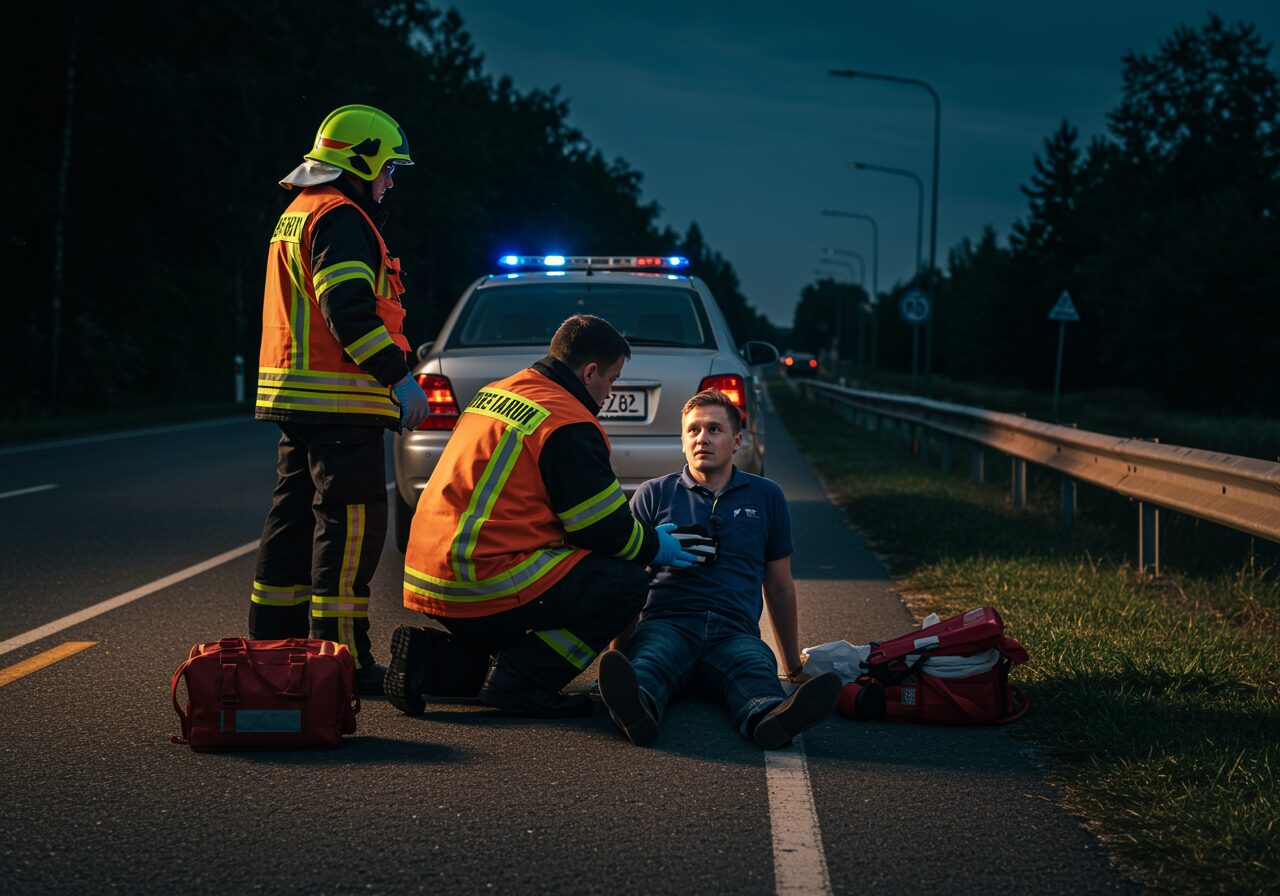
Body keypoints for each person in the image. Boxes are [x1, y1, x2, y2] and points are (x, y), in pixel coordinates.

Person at [386, 314, 698, 718]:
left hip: (432, 571)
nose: (610, 390)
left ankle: (429, 661)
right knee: (622, 585)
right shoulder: (567, 421)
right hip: (483, 577)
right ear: (589, 372)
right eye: (612, 379)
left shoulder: (501, 390)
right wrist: (657, 546)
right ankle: (523, 684)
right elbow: (603, 530)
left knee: (540, 604)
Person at [249, 104, 430, 695]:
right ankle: (343, 661)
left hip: (298, 400)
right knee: (350, 529)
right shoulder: (343, 217)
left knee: (291, 524)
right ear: (360, 160)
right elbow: (348, 311)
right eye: (388, 169)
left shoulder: (298, 213)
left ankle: (273, 650)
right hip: (340, 403)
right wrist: (398, 377)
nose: (391, 183)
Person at [597, 389, 842, 748]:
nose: (702, 439)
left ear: (737, 441)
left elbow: (778, 586)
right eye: (693, 431)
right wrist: (617, 654)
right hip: (668, 623)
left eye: (714, 430)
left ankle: (770, 717)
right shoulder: (653, 494)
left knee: (756, 670)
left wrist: (792, 666)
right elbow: (629, 578)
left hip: (734, 630)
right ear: (682, 442)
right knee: (647, 665)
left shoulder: (766, 496)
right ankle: (635, 712)